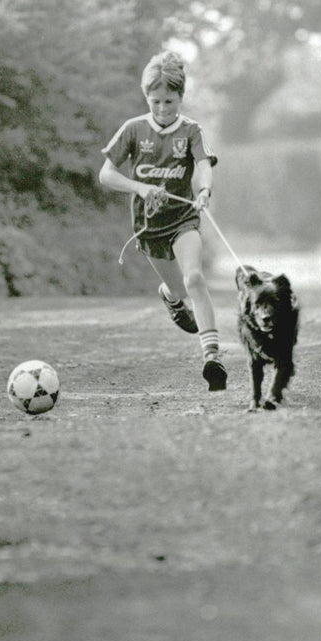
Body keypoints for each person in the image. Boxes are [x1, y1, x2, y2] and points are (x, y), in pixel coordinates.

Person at [99, 49, 228, 391]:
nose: (162, 109)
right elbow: (105, 174)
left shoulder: (191, 131)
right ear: (147, 98)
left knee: (195, 279)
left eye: (169, 101)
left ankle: (212, 357)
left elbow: (203, 165)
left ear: (180, 97)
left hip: (184, 220)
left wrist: (204, 191)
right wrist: (140, 188)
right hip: (149, 228)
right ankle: (170, 297)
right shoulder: (133, 129)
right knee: (178, 288)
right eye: (155, 101)